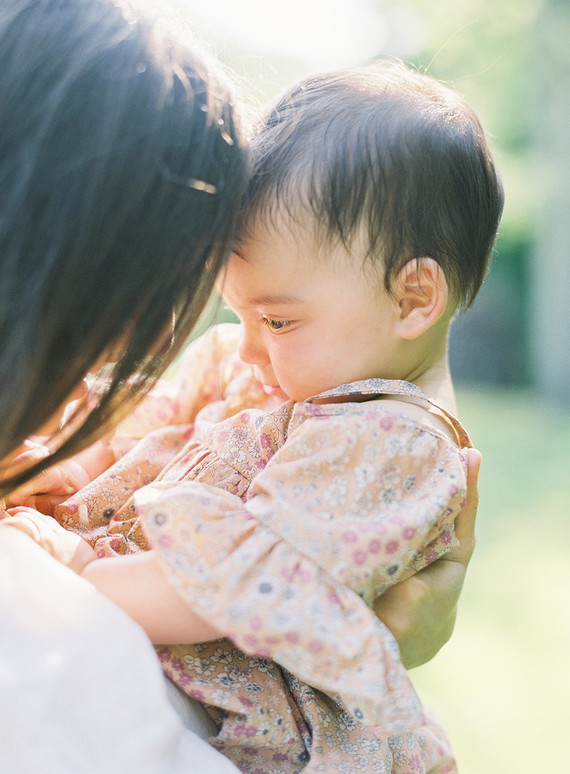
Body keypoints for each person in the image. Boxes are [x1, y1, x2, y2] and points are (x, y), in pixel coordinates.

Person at [6, 62, 502, 772]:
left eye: (276, 318)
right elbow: (150, 422)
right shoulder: (287, 367)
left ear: (414, 297)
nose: (244, 347)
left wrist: (79, 570)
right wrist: (64, 469)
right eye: (238, 312)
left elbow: (231, 592)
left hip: (267, 736)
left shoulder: (394, 443)